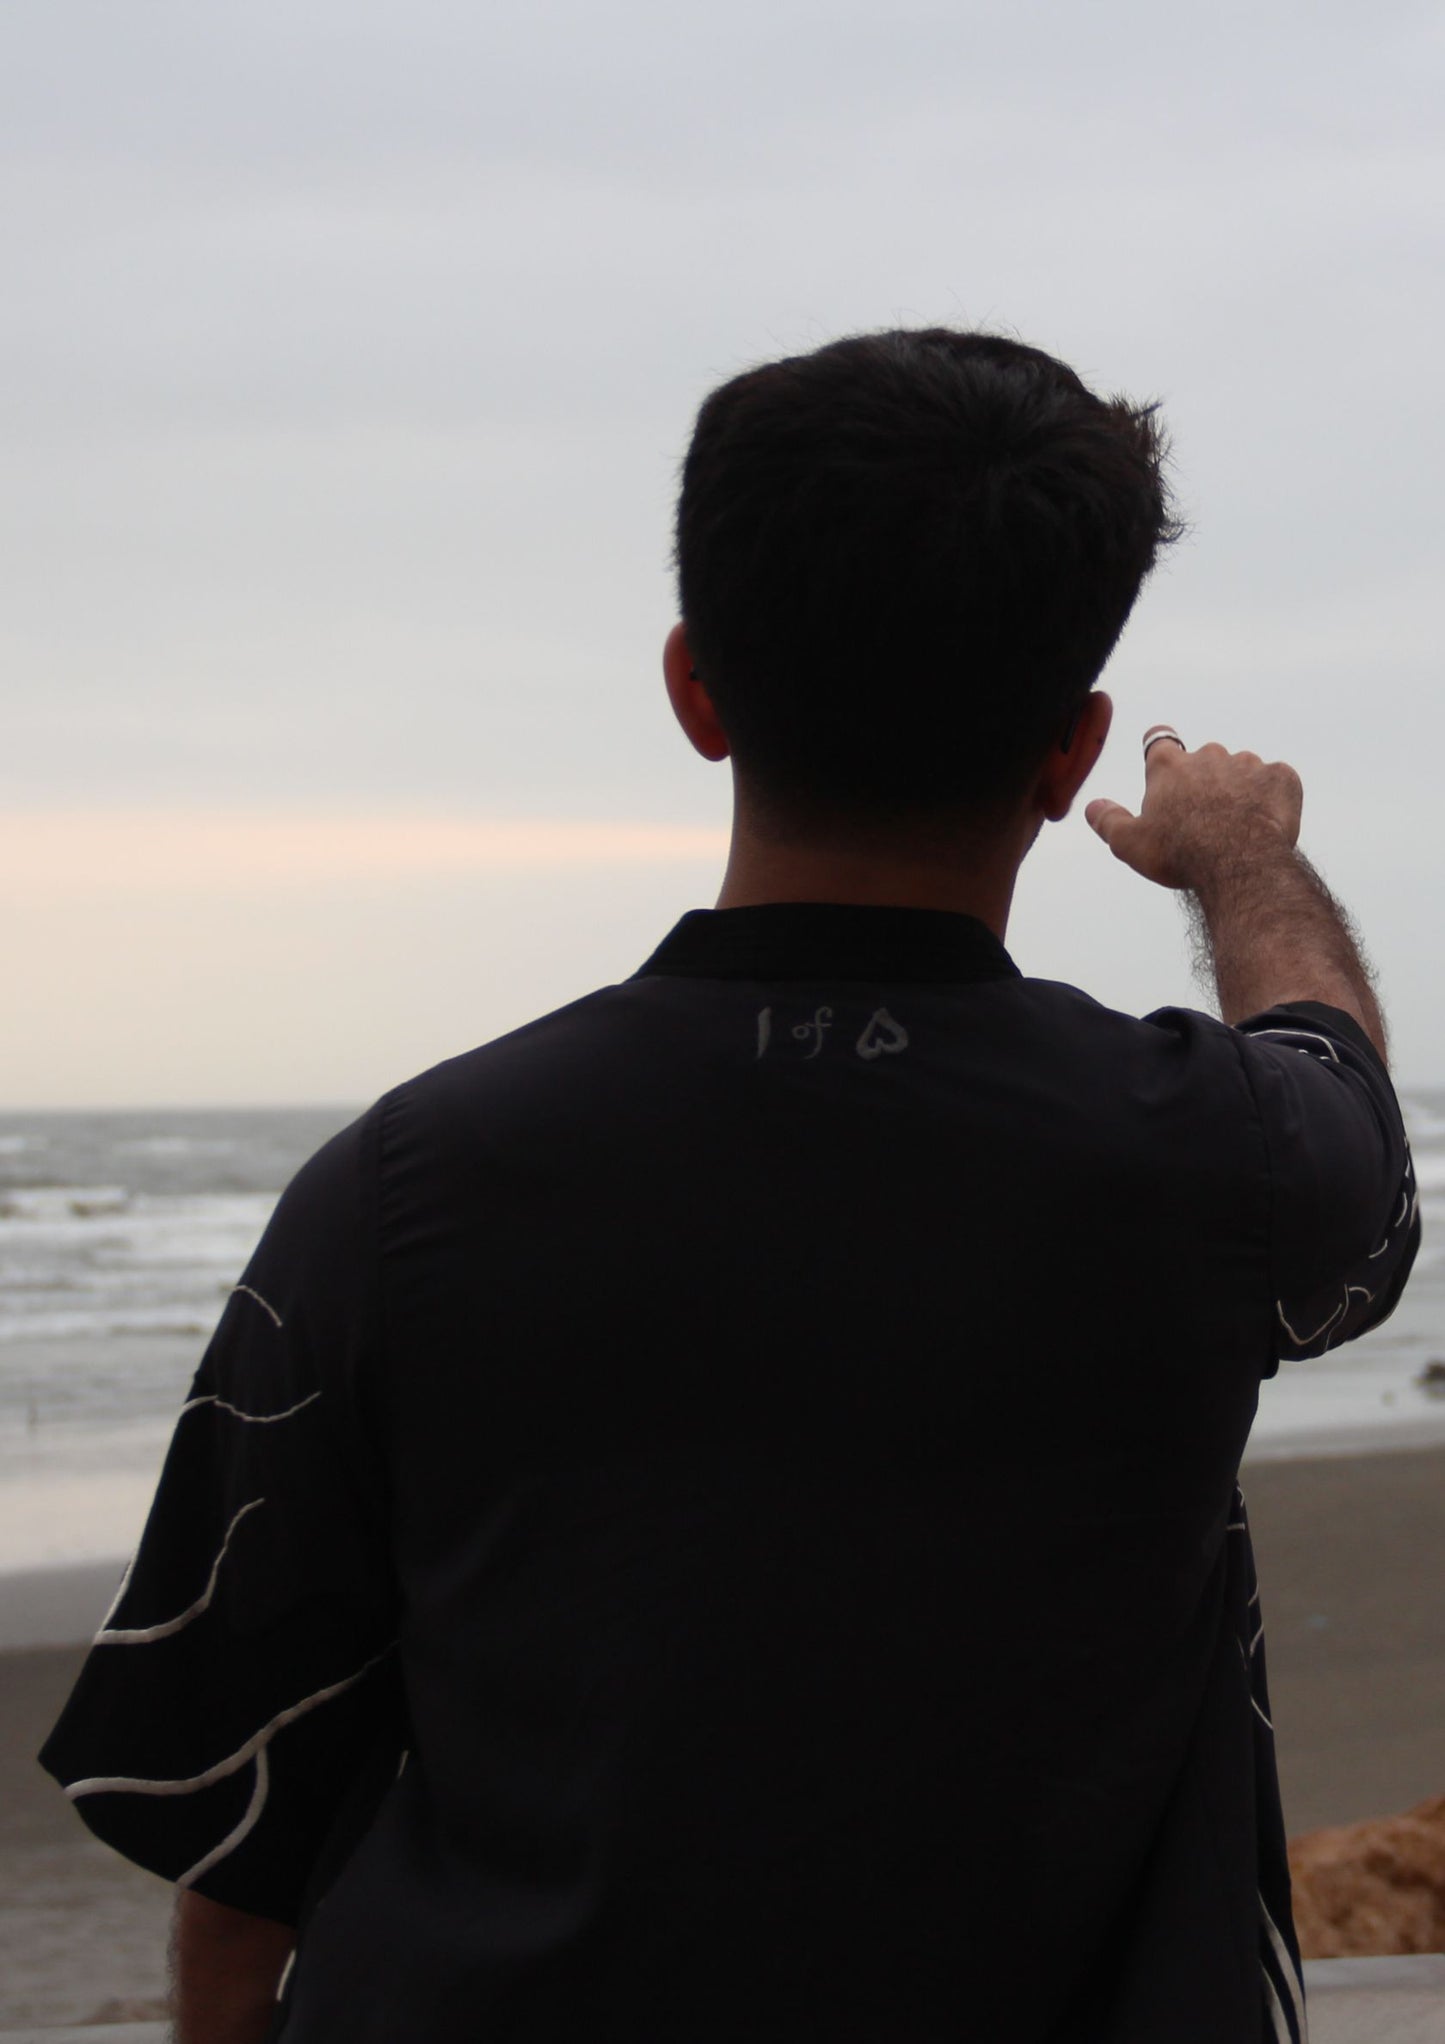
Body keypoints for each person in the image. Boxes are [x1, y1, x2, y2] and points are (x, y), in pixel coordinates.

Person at [42, 328, 1418, 2044]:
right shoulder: (1203, 1156)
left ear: (695, 688)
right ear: (1068, 758)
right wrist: (1242, 860)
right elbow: (1346, 1128)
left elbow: (247, 1774)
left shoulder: (408, 1184)